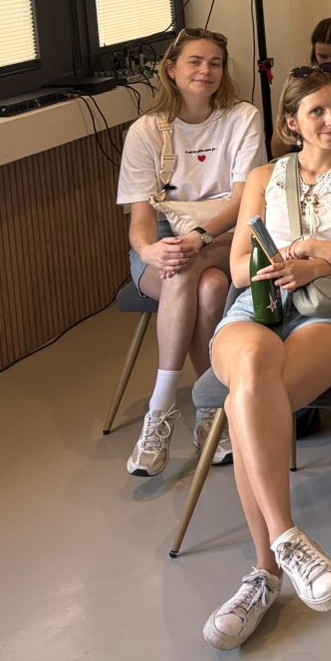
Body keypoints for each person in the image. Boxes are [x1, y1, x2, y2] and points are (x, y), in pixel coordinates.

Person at [202, 67, 331, 649]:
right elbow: (239, 270)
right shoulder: (264, 176)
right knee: (252, 375)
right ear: (292, 122)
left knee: (245, 406)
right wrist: (302, 250)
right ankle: (287, 539)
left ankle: (264, 574)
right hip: (258, 309)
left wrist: (318, 267)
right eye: (317, 111)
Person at [116, 27, 265, 477]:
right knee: (207, 286)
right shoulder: (146, 131)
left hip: (226, 236)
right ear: (171, 70)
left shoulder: (242, 117)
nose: (206, 71)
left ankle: (160, 409)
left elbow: (245, 201)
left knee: (190, 269)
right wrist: (150, 250)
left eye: (215, 63)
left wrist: (199, 236)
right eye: (195, 62)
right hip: (168, 242)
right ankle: (208, 412)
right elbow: (141, 220)